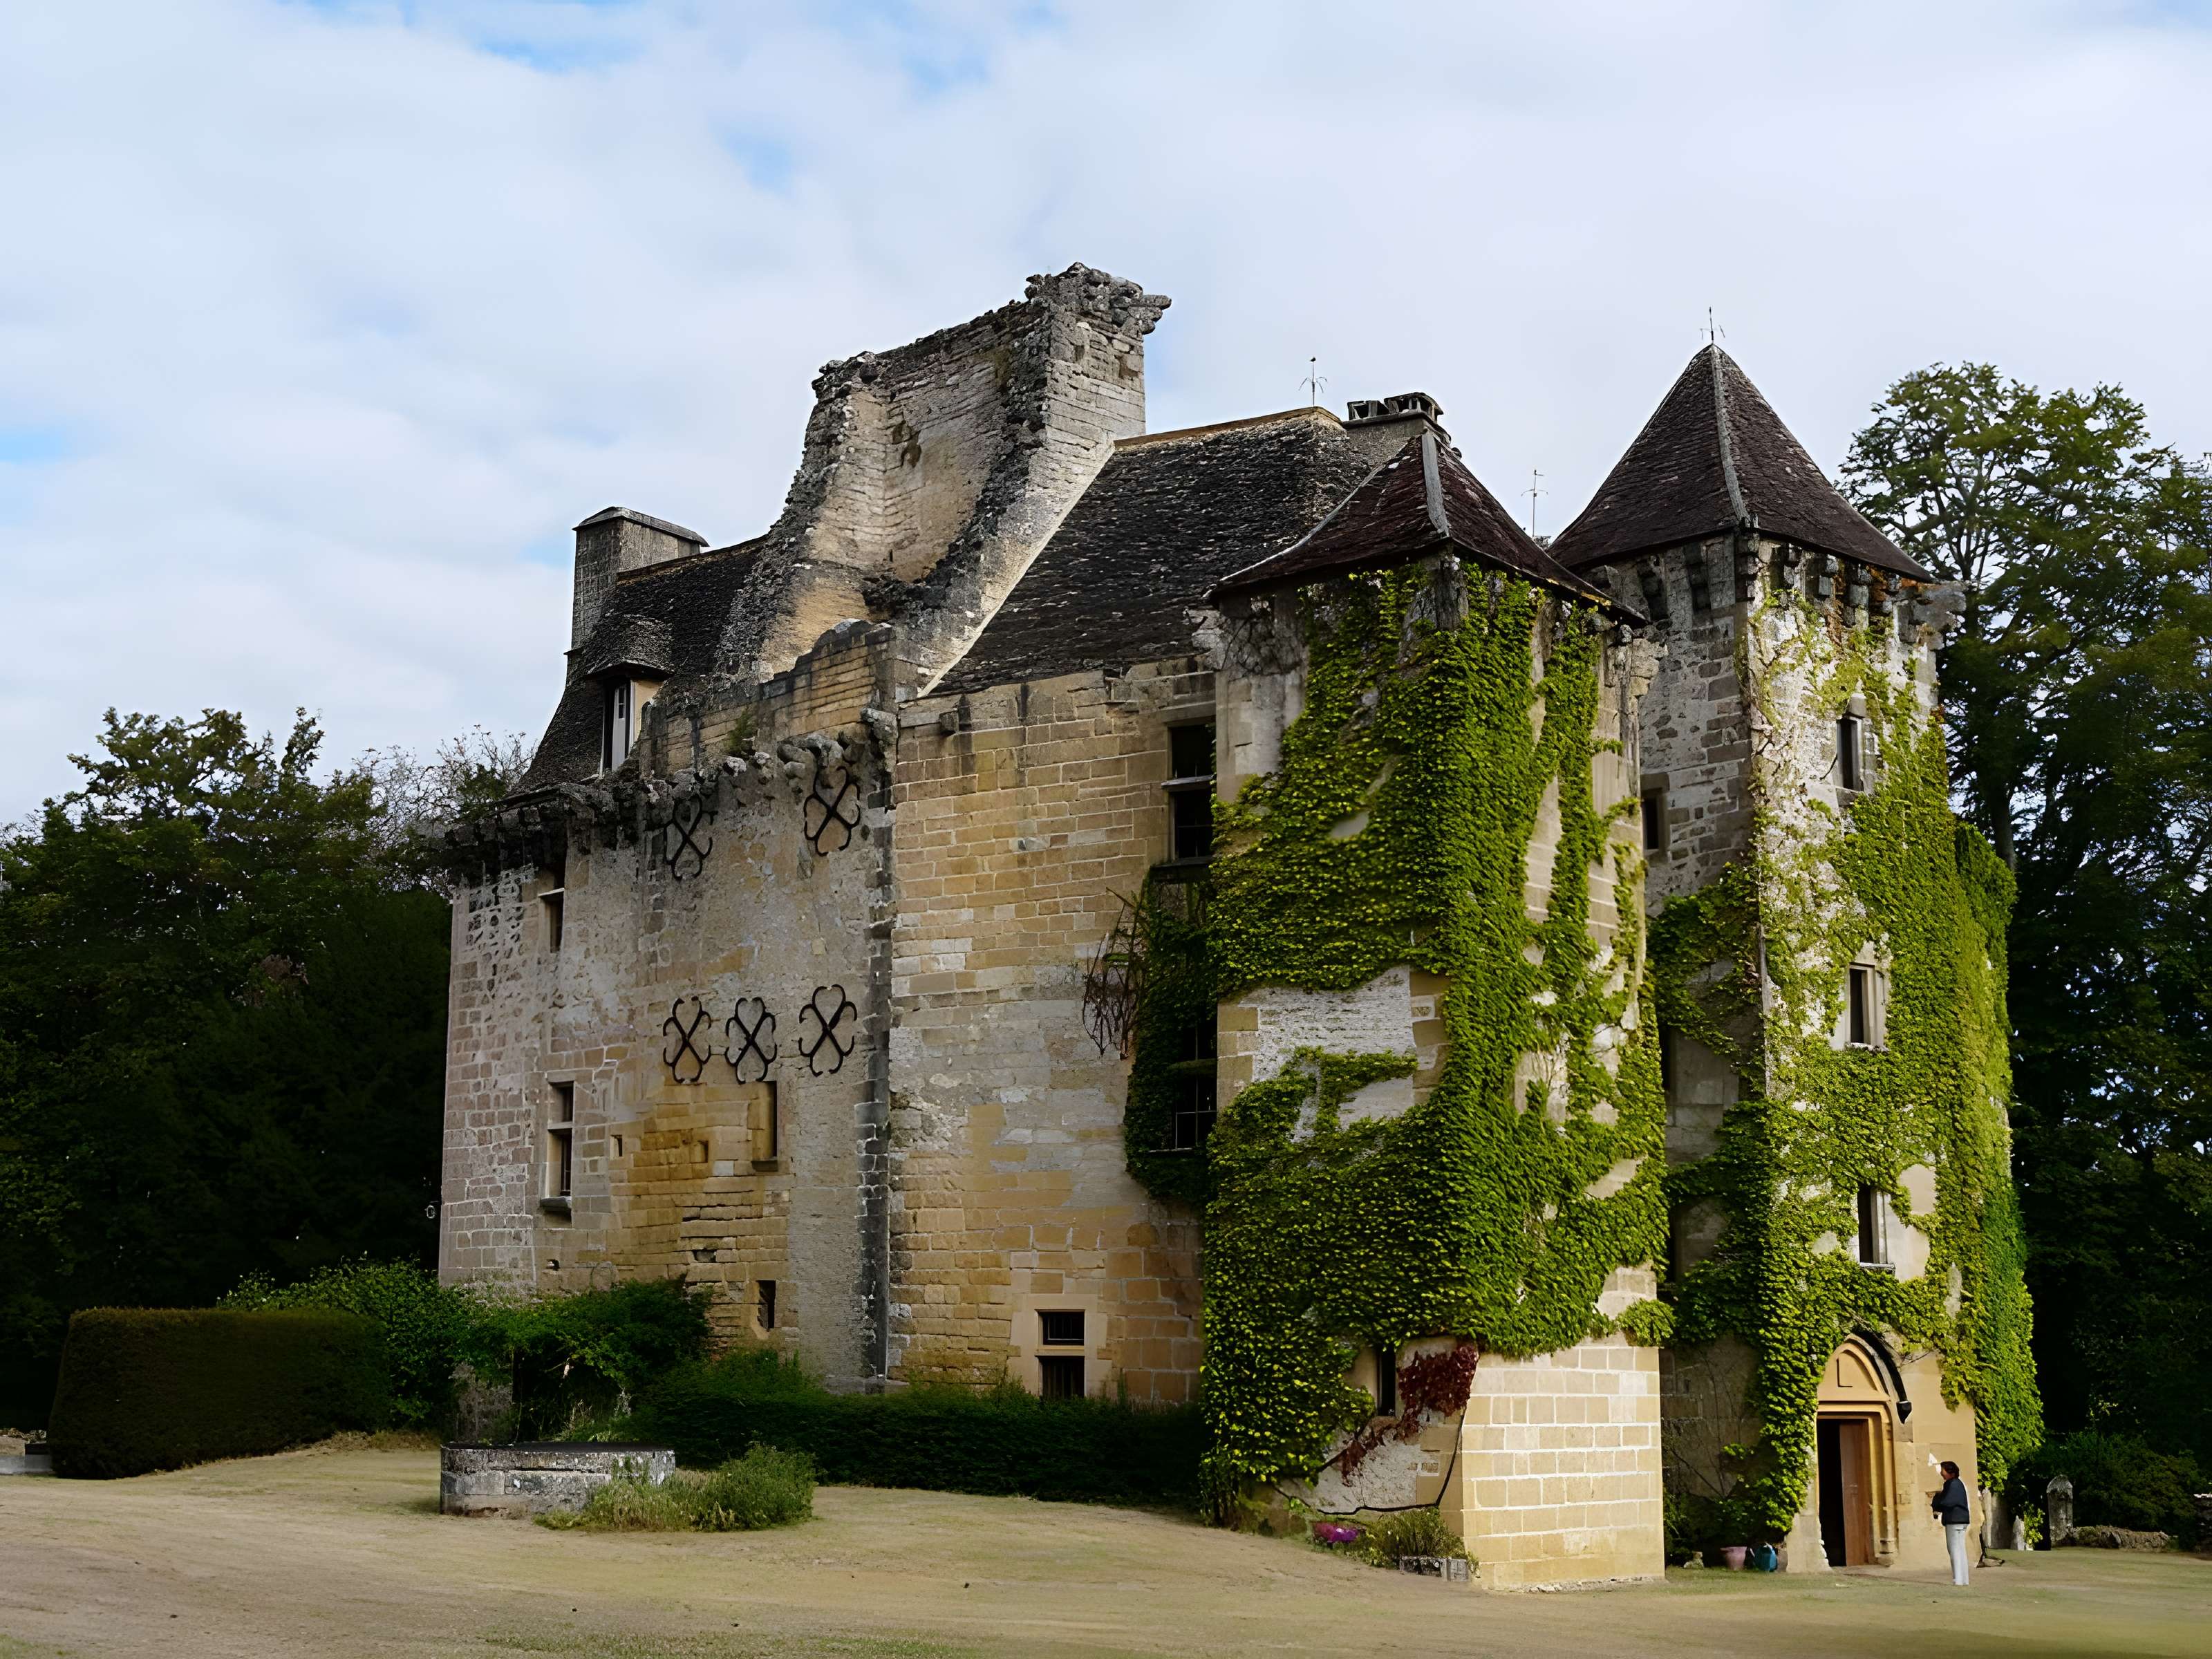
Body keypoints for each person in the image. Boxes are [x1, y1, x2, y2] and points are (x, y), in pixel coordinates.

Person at [1931, 1460, 1971, 1586]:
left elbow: (1947, 1502)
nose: (1941, 1473)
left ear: (1949, 1472)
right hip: (1961, 1520)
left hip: (1954, 1520)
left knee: (1954, 1549)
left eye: (1943, 1470)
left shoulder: (1952, 1484)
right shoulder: (1959, 1484)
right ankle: (1963, 1579)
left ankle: (1958, 1579)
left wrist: (1937, 1501)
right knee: (1960, 1550)